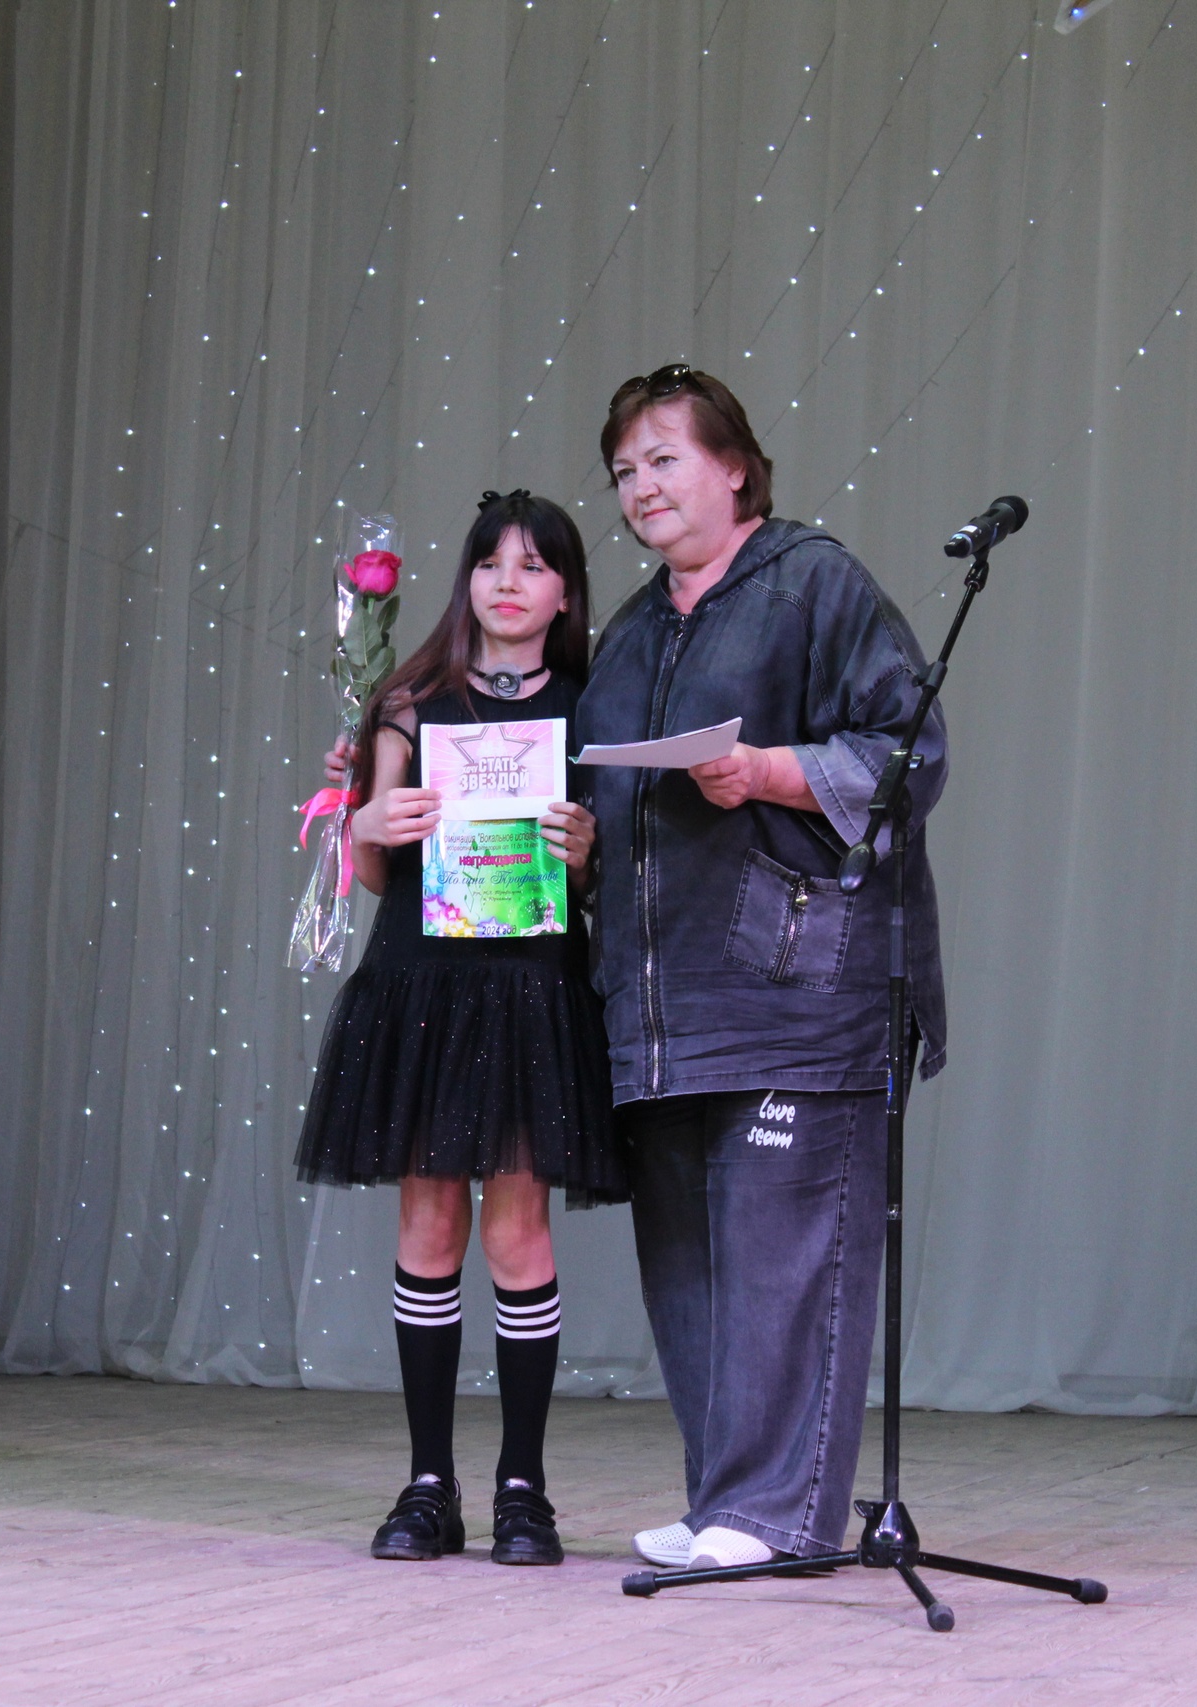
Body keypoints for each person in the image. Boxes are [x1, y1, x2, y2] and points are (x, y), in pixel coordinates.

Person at [579, 366, 948, 1572]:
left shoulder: (813, 583)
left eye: (664, 459)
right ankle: (721, 1501)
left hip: (798, 983)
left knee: (783, 1255)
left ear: (734, 468)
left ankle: (776, 1514)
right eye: (624, 470)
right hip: (661, 998)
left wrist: (768, 772)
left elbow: (908, 752)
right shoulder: (632, 632)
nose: (641, 486)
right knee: (688, 1261)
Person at [297, 490, 620, 1567]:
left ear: (566, 592)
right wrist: (367, 819)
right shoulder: (407, 700)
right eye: (490, 563)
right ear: (465, 580)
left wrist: (588, 855)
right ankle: (427, 1485)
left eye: (533, 565)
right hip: (422, 983)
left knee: (519, 1232)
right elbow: (368, 868)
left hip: (531, 986)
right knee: (429, 1226)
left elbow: (609, 874)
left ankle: (524, 1489)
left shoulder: (591, 706)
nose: (508, 583)